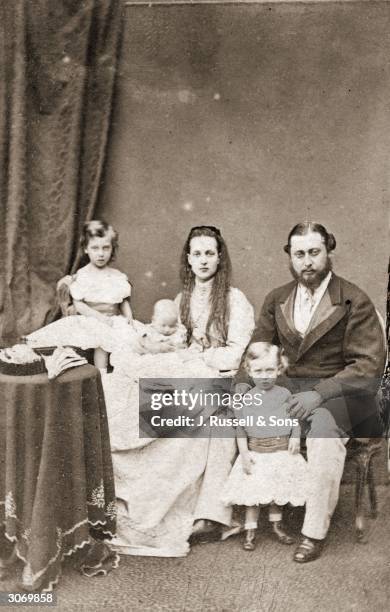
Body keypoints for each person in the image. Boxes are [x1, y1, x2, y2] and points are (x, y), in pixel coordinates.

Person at [235, 222, 386, 563]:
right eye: (299, 254)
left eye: (314, 253)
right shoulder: (277, 298)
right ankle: (224, 515)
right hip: (289, 392)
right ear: (290, 256)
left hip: (344, 394)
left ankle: (313, 532)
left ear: (328, 252)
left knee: (322, 430)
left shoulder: (353, 299)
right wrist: (241, 390)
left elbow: (367, 367)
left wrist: (318, 395)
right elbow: (257, 350)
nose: (307, 262)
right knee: (229, 416)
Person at [105, 225, 255, 556]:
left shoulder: (234, 300)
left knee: (195, 415)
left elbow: (234, 354)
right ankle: (147, 501)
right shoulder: (179, 300)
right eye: (197, 253)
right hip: (188, 374)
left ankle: (207, 513)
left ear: (220, 258)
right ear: (188, 259)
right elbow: (173, 344)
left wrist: (198, 357)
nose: (203, 260)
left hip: (221, 378)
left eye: (210, 253)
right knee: (145, 404)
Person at [221, 342, 307, 551]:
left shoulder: (284, 394)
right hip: (256, 453)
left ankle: (277, 525)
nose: (265, 376)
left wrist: (295, 437)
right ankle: (251, 531)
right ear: (249, 371)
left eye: (270, 370)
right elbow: (240, 428)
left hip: (280, 451)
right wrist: (243, 452)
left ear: (279, 369)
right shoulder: (245, 399)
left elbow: (294, 419)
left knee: (276, 491)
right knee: (254, 495)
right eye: (258, 371)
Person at [26, 220, 134, 370]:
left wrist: (129, 317)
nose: (101, 254)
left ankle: (120, 373)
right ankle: (101, 375)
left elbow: (123, 301)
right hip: (91, 318)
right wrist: (99, 317)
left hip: (113, 319)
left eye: (106, 248)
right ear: (86, 249)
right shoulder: (84, 275)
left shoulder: (117, 276)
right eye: (95, 248)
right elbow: (79, 304)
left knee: (129, 340)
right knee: (101, 341)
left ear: (112, 249)